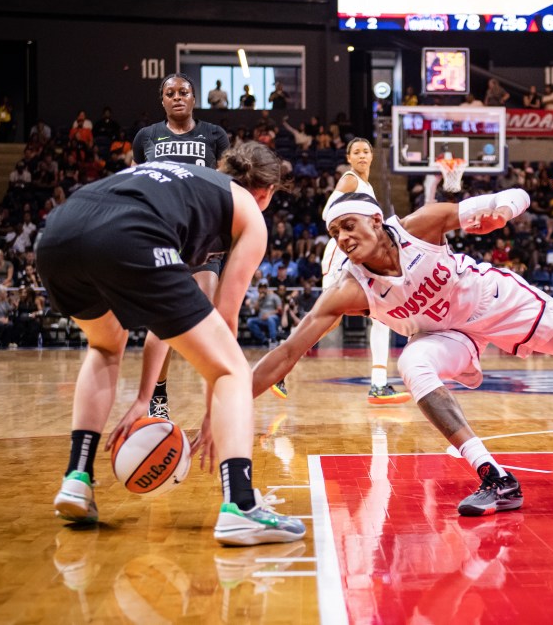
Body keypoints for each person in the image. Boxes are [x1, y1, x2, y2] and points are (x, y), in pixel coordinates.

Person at [252, 191, 553, 516]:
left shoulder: (424, 224)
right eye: (335, 232)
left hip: (496, 302)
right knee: (412, 362)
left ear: (377, 221)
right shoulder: (348, 289)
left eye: (349, 225)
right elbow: (288, 352)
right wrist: (228, 401)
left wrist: (501, 212)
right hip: (449, 334)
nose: (343, 238)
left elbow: (517, 197)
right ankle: (495, 477)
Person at [39, 148, 304, 546]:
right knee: (232, 367)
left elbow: (165, 317)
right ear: (266, 192)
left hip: (59, 232)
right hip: (127, 232)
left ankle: (77, 478)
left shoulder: (182, 180)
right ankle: (241, 506)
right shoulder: (248, 210)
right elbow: (226, 320)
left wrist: (146, 396)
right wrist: (215, 413)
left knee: (106, 345)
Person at [131, 74, 233, 420]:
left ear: (194, 98)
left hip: (205, 239)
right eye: (170, 93)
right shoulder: (146, 137)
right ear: (162, 101)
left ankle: (218, 394)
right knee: (164, 322)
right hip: (163, 237)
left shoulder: (214, 135)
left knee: (206, 314)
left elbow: (226, 183)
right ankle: (157, 395)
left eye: (183, 92)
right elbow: (137, 183)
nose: (177, 98)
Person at [320, 138, 410, 404]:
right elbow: (328, 214)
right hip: (341, 252)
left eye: (365, 152)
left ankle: (379, 384)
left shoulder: (368, 187)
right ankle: (283, 362)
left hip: (360, 253)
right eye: (356, 152)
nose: (361, 156)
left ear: (372, 156)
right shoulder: (349, 181)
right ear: (349, 158)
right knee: (328, 317)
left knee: (381, 315)